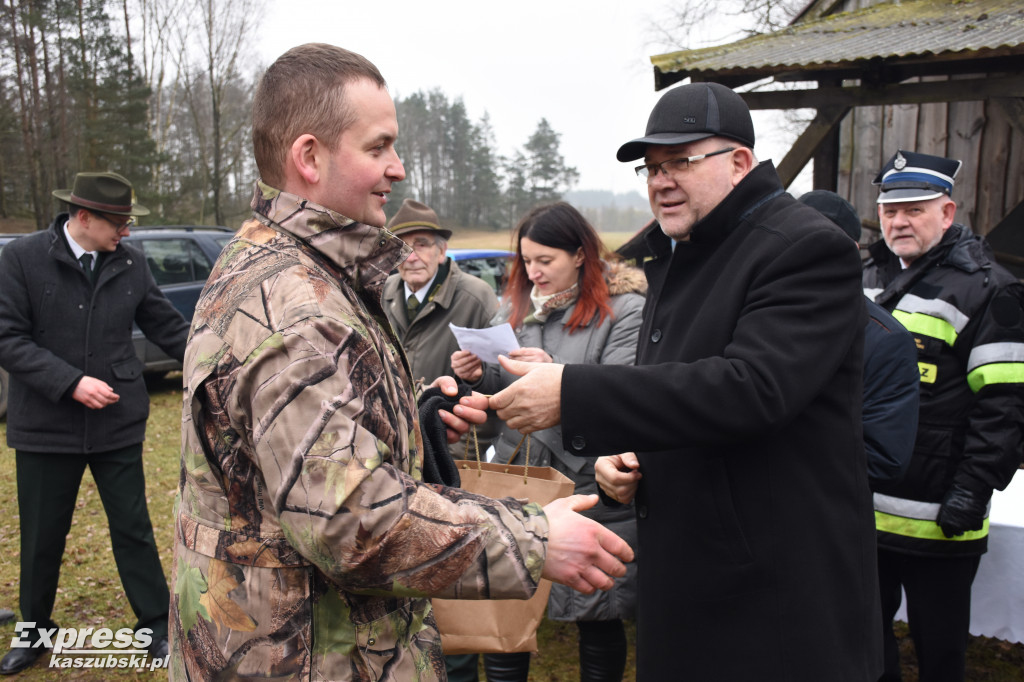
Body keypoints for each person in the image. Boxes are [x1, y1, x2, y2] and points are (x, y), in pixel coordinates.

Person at [168, 43, 633, 681]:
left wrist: (409, 422)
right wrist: (534, 539)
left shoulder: (279, 262)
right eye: (379, 146)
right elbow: (350, 521)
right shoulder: (299, 307)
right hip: (309, 656)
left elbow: (285, 457)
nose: (399, 167)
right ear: (310, 156)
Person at [488, 81, 883, 680]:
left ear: (740, 163)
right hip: (692, 572)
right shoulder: (683, 253)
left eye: (681, 162)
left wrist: (573, 393)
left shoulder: (804, 247)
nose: (660, 182)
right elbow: (678, 390)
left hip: (772, 591)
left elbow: (752, 388)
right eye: (651, 168)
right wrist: (633, 452)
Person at [0, 171, 187, 674]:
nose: (125, 232)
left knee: (133, 528)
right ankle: (35, 631)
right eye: (119, 223)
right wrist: (70, 382)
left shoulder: (130, 262)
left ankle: (155, 624)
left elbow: (166, 324)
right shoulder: (20, 259)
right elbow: (7, 338)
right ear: (83, 217)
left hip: (116, 423)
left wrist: (214, 363)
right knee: (42, 536)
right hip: (45, 424)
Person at [451, 202, 645, 682]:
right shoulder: (518, 309)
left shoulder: (625, 311)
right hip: (518, 483)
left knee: (596, 617)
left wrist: (553, 370)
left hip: (586, 488)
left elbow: (621, 401)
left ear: (580, 255)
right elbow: (504, 397)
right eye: (526, 261)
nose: (533, 273)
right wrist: (482, 374)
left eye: (545, 261)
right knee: (505, 615)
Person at [862, 150, 1024, 682]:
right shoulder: (864, 278)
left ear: (947, 212)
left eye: (914, 209)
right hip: (864, 514)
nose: (899, 222)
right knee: (864, 647)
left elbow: (1004, 410)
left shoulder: (989, 291)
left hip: (940, 522)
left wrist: (971, 492)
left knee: (940, 655)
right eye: (890, 211)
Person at [799, 190, 920, 487]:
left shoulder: (885, 339)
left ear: (852, 251)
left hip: (819, 518)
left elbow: (881, 458)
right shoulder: (750, 317)